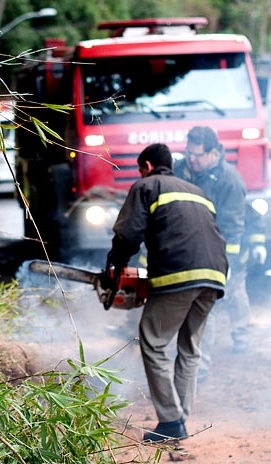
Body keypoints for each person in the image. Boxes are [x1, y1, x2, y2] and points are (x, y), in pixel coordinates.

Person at [103, 143, 228, 442]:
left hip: (179, 275)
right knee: (190, 347)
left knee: (153, 340)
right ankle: (179, 417)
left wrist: (115, 267)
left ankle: (171, 422)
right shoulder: (197, 191)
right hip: (214, 276)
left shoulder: (146, 185)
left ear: (146, 166)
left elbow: (128, 234)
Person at [173, 126, 266, 378]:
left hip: (225, 249)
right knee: (203, 305)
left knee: (234, 291)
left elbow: (233, 227)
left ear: (213, 153)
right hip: (193, 248)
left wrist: (227, 263)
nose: (191, 159)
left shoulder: (230, 180)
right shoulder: (182, 170)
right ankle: (198, 364)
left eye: (197, 155)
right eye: (188, 153)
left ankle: (241, 335)